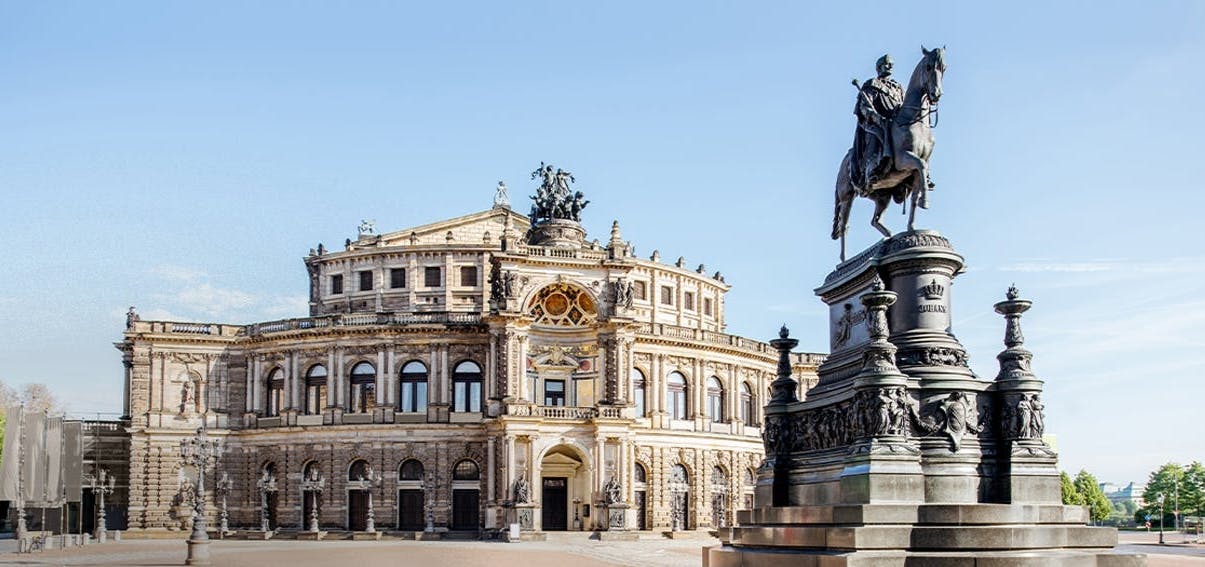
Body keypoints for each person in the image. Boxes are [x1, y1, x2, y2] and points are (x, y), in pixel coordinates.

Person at [852, 54, 904, 190]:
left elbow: (902, 106)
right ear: (879, 67)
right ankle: (872, 169)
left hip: (894, 122)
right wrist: (875, 116)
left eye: (891, 64)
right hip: (876, 122)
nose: (890, 66)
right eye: (887, 64)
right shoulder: (872, 84)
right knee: (879, 134)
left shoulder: (897, 88)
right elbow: (864, 107)